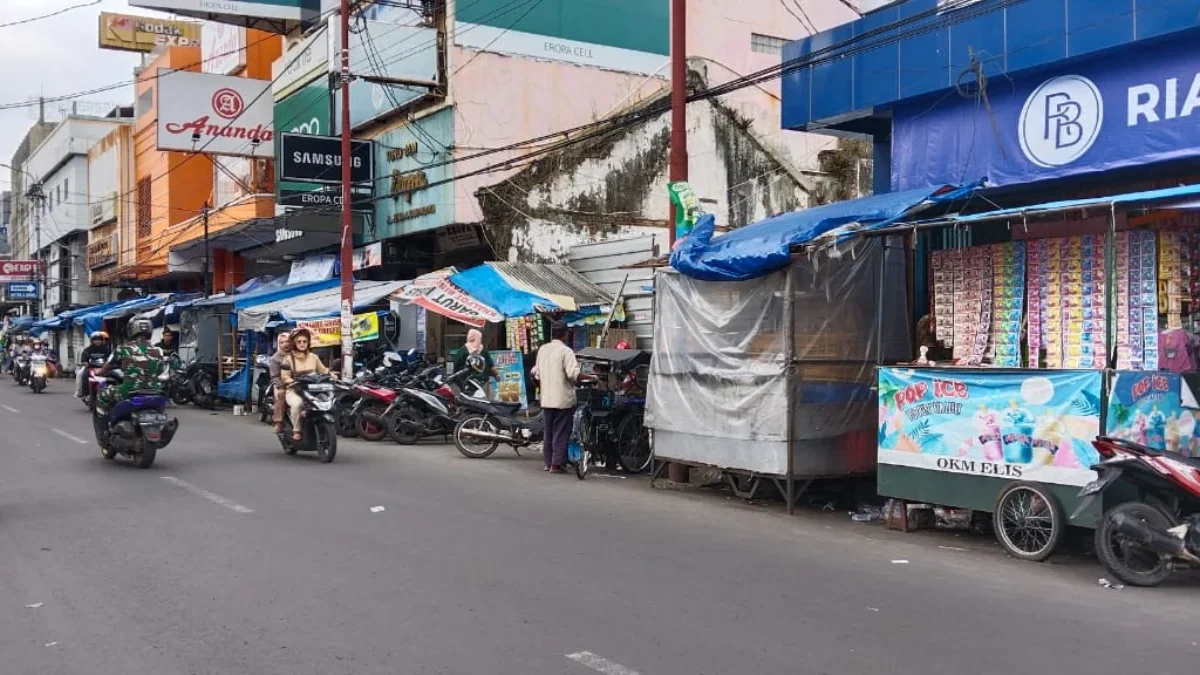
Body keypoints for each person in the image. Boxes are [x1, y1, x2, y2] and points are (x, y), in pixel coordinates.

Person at [533, 321, 583, 473]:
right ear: (564, 334)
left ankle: (548, 463)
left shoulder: (543, 349)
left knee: (548, 431)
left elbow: (537, 373)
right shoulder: (566, 351)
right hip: (562, 399)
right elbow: (573, 374)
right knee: (561, 431)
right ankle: (557, 464)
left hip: (547, 398)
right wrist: (590, 377)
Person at [96, 318, 167, 414]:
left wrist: (99, 372)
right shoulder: (158, 350)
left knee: (102, 394)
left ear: (131, 330)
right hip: (154, 391)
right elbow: (160, 370)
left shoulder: (122, 348)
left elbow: (108, 365)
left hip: (129, 390)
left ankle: (107, 423)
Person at [280, 328, 330, 442]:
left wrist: (332, 374)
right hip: (294, 390)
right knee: (297, 404)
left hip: (313, 390)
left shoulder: (313, 357)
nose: (302, 344)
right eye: (299, 341)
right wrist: (289, 381)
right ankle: (296, 430)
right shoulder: (288, 359)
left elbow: (323, 370)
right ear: (294, 343)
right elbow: (284, 376)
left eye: (305, 341)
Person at [451, 328, 498, 394]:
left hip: (466, 383)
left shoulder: (462, 350)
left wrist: (456, 380)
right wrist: (497, 376)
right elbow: (491, 366)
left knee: (468, 400)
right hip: (482, 382)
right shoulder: (483, 350)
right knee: (481, 401)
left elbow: (456, 367)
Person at [268, 331, 292, 434]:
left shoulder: (297, 354)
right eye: (282, 342)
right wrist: (281, 386)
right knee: (281, 396)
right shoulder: (275, 359)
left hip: (298, 383)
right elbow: (275, 376)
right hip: (281, 384)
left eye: (287, 341)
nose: (285, 344)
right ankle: (278, 422)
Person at [76, 331, 112, 398]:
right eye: (95, 340)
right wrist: (89, 364)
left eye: (99, 340)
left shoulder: (106, 350)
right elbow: (84, 361)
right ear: (92, 341)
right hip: (90, 367)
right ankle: (82, 392)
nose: (97, 341)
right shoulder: (88, 350)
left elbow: (111, 359)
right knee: (80, 374)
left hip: (104, 367)